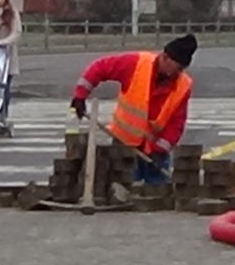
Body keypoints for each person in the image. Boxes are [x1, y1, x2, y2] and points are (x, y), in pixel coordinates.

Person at [71, 34, 198, 186]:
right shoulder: (136, 64)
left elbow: (176, 122)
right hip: (124, 145)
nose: (177, 73)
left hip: (155, 152)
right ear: (165, 57)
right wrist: (80, 95)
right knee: (122, 190)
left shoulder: (183, 85)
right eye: (176, 67)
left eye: (181, 69)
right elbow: (100, 67)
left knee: (159, 194)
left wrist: (161, 148)